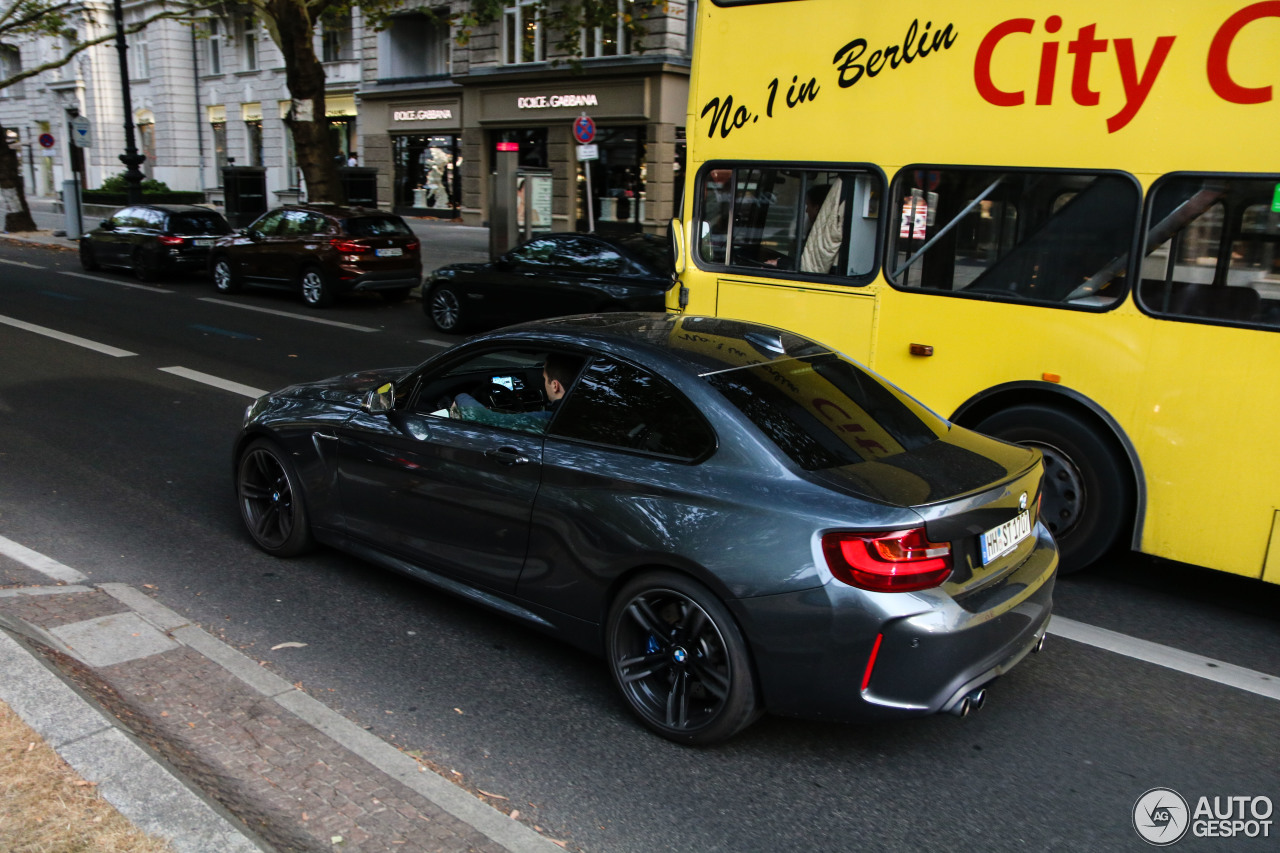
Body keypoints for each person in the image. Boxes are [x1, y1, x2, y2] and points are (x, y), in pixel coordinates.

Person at [449, 353, 582, 430]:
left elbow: (489, 419)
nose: (544, 383)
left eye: (544, 378)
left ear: (555, 386)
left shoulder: (547, 419)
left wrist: (461, 397)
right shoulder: (583, 411)